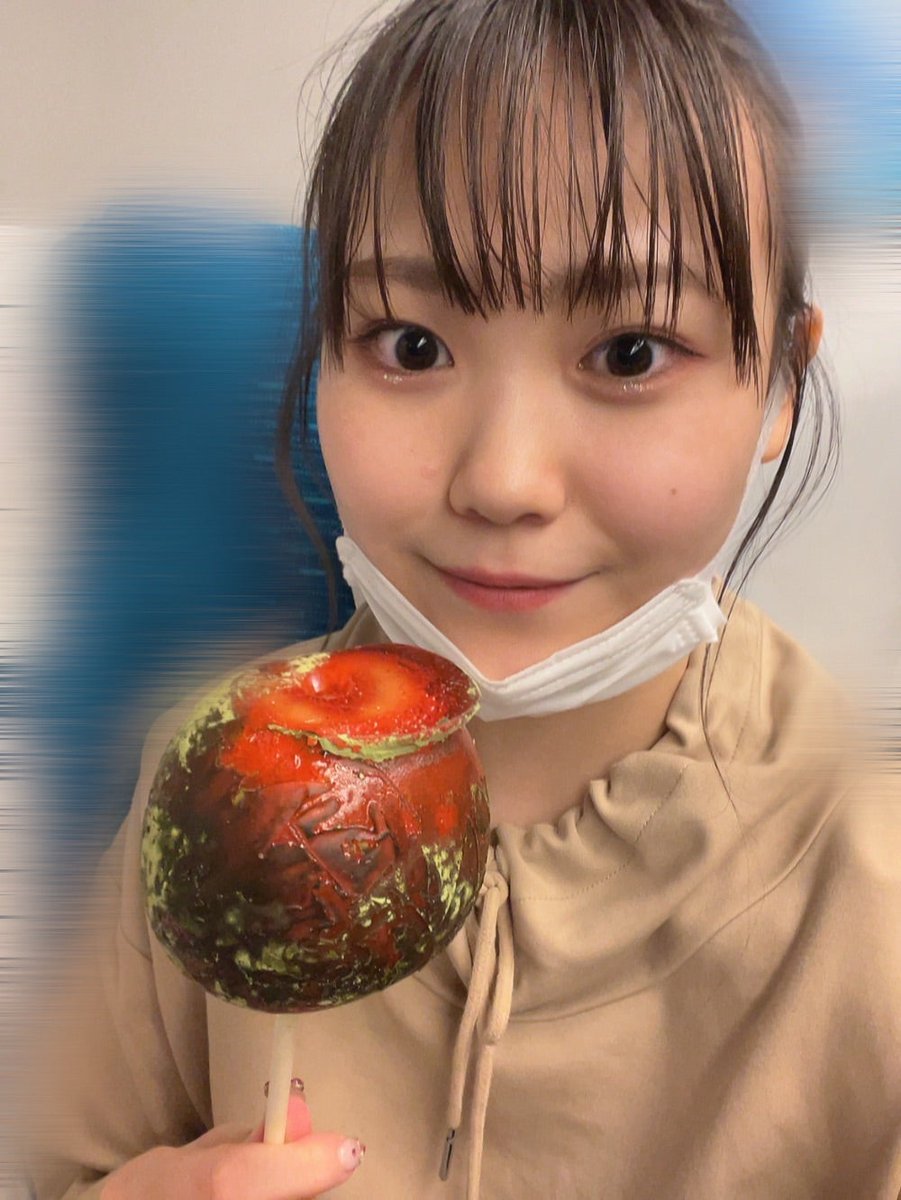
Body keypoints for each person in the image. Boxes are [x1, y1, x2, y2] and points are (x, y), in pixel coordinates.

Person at [28, 0, 901, 1197]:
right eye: (410, 345)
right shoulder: (208, 774)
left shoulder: (869, 878)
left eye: (631, 353)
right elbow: (69, 1160)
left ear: (779, 388)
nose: (501, 480)